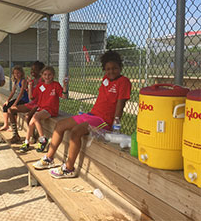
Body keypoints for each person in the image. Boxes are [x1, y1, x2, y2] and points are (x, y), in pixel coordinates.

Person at [33, 50, 131, 178]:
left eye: (114, 68)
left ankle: (69, 168)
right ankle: (49, 158)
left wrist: (115, 124)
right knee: (60, 125)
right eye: (108, 69)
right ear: (104, 69)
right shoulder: (105, 79)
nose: (111, 71)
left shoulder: (124, 82)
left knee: (75, 132)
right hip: (92, 114)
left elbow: (120, 104)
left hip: (104, 120)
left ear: (120, 67)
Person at [20, 66, 68, 153]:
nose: (47, 76)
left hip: (51, 109)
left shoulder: (55, 85)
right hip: (42, 109)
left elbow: (63, 96)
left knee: (35, 117)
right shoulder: (40, 85)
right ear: (42, 75)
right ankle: (26, 142)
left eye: (49, 75)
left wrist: (65, 86)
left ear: (53, 75)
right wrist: (30, 85)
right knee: (31, 123)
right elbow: (31, 97)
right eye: (45, 74)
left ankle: (42, 139)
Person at [8, 61, 45, 143]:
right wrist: (29, 87)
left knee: (28, 116)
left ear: (40, 71)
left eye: (35, 70)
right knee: (10, 110)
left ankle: (32, 135)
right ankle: (15, 135)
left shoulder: (42, 81)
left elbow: (42, 96)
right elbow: (30, 97)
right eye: (32, 69)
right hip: (32, 103)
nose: (32, 71)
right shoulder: (32, 81)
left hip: (39, 104)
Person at [0, 65, 29, 131]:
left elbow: (21, 93)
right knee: (5, 106)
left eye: (18, 73)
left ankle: (13, 126)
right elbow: (12, 92)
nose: (16, 75)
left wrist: (15, 103)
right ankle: (6, 125)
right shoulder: (16, 82)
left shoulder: (23, 81)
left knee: (13, 108)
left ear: (21, 73)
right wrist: (8, 100)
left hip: (23, 99)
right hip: (18, 99)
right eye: (15, 73)